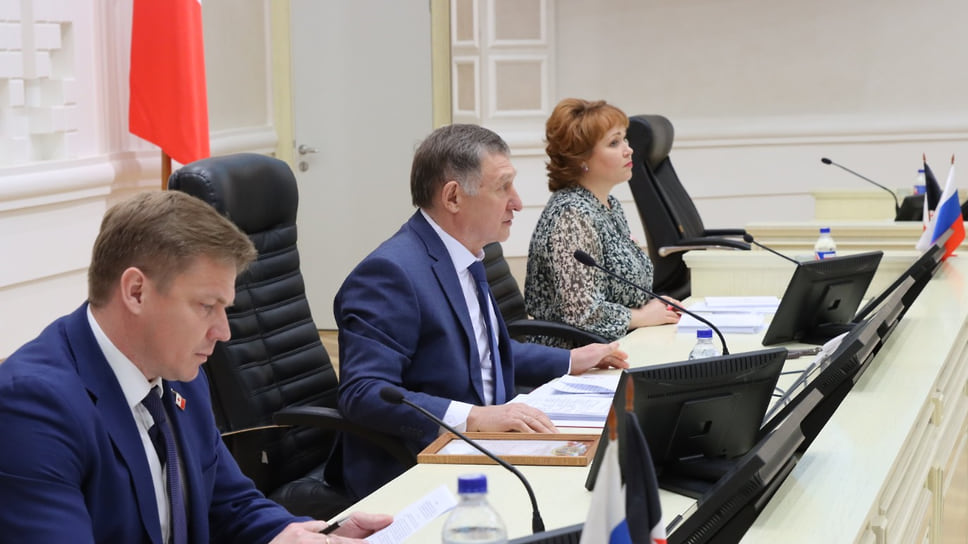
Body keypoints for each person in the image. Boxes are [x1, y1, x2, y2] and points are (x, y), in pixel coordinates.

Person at [0, 191, 390, 543]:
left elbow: (229, 503)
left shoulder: (179, 374)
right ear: (136, 292)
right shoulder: (33, 406)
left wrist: (297, 534)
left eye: (225, 309)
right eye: (206, 306)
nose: (223, 332)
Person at [334, 124, 630, 499]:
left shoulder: (470, 253)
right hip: (419, 464)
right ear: (453, 197)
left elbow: (479, 353)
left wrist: (571, 360)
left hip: (488, 445)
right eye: (503, 187)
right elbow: (363, 393)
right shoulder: (390, 274)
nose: (517, 202)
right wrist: (474, 417)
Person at [525, 98, 681, 348]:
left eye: (625, 139)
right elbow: (582, 313)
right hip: (578, 355)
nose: (628, 150)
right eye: (614, 143)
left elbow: (618, 288)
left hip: (618, 344)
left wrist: (657, 305)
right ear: (581, 158)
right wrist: (643, 316)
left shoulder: (609, 206)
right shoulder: (572, 216)